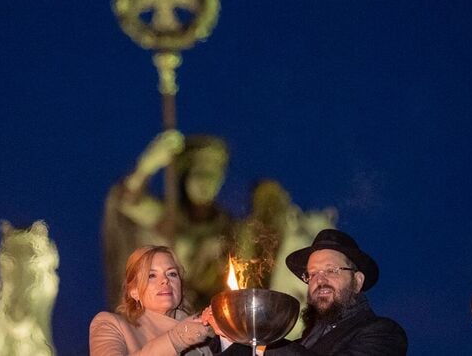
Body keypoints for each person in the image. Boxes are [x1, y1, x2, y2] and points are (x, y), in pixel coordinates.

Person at [214, 229, 407, 355]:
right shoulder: (303, 343)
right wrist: (230, 332)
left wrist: (265, 344)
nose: (320, 281)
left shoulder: (384, 333)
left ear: (357, 281)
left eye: (331, 271)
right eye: (312, 274)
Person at [103, 130, 234, 309]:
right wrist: (148, 165)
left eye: (213, 175)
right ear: (185, 176)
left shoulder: (228, 228)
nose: (206, 183)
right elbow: (127, 202)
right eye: (200, 173)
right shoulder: (167, 218)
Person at [90, 245, 218, 355]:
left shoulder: (202, 333)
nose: (165, 280)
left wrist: (226, 333)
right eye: (151, 275)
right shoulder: (111, 325)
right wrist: (178, 338)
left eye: (172, 274)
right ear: (134, 291)